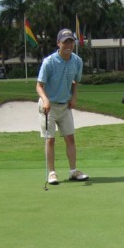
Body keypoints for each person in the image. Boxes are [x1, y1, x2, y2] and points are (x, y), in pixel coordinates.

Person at [37, 28, 88, 185]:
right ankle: (52, 173)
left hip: (65, 105)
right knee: (50, 140)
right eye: (65, 42)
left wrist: (74, 96)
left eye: (71, 41)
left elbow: (75, 81)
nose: (69, 44)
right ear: (58, 43)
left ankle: (73, 171)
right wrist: (45, 100)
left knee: (70, 138)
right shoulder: (49, 62)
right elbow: (39, 86)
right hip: (49, 106)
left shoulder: (77, 61)